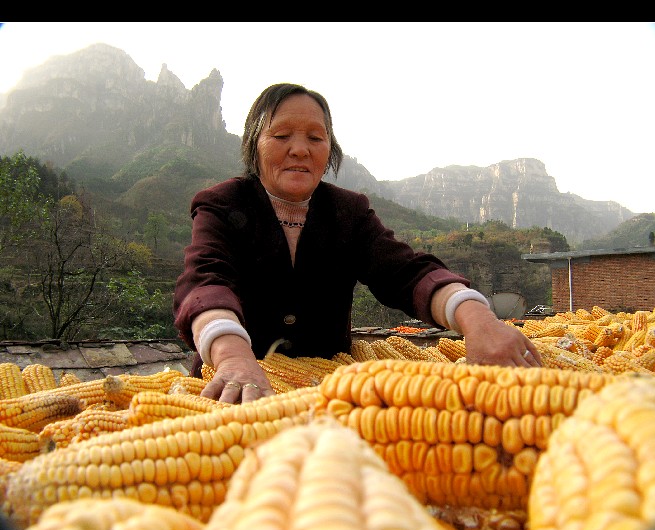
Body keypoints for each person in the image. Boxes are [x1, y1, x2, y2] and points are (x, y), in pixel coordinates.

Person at [173, 83, 542, 404]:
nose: (300, 149)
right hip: (234, 389)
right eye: (281, 136)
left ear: (330, 151)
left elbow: (406, 273)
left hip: (329, 392)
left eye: (316, 138)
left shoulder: (348, 211)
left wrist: (478, 320)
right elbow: (206, 280)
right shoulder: (222, 204)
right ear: (254, 145)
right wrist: (233, 355)